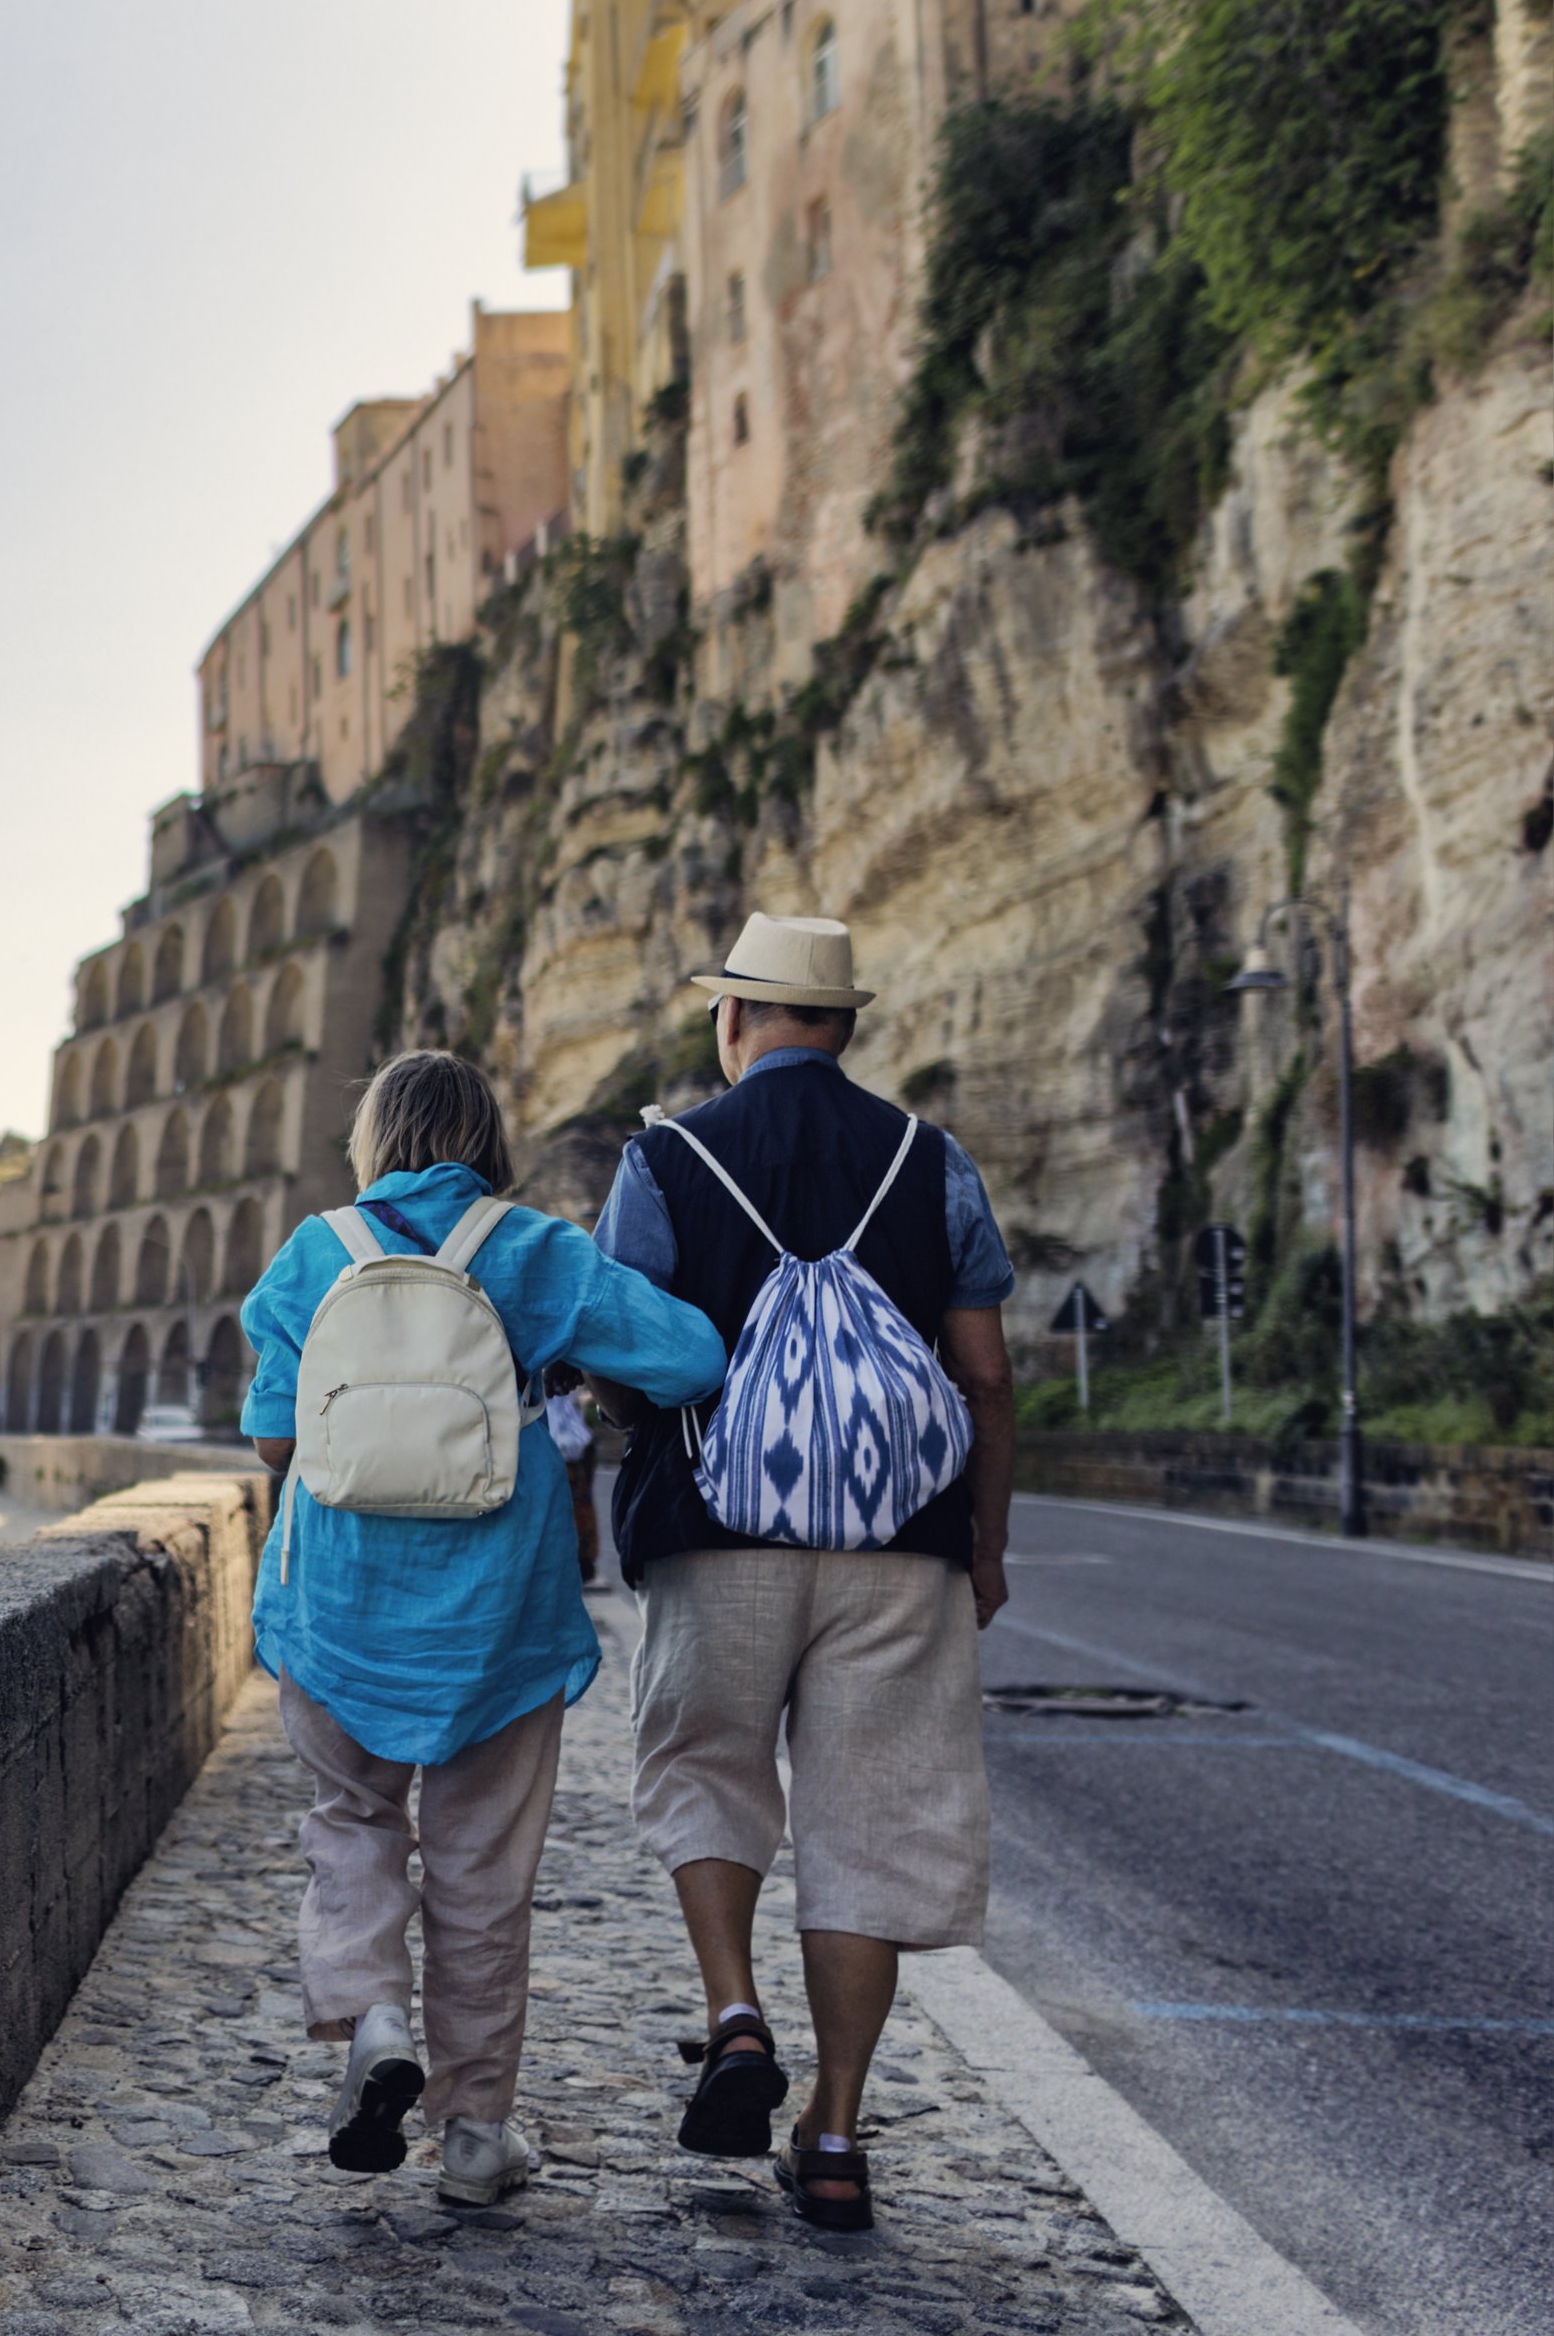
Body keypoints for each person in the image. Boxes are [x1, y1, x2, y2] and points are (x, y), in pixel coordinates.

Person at [591, 913, 1019, 2235]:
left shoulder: (667, 1157)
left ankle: (732, 2014)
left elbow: (621, 1351)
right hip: (903, 1546)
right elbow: (987, 1373)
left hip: (719, 1535)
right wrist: (985, 1546)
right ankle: (834, 2133)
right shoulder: (930, 1158)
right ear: (845, 1026)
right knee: (869, 1822)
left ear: (733, 1021)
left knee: (704, 1766)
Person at [241, 1050, 725, 2207]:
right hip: (495, 1627)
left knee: (350, 1822)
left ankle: (374, 2016)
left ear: (372, 1137)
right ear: (487, 1136)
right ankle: (473, 2135)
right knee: (482, 1875)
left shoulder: (315, 1251)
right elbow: (692, 1354)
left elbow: (273, 1443)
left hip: (334, 1610)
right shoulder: (533, 1248)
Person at [543, 1375, 600, 1582]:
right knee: (576, 1506)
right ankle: (580, 1559)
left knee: (573, 1507)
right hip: (571, 1444)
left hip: (564, 1444)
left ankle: (578, 1560)